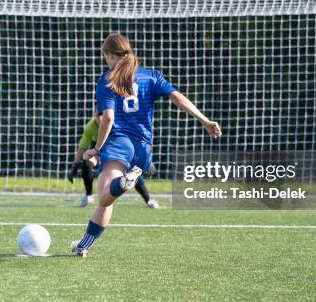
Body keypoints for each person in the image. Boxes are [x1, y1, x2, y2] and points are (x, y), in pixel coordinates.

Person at [71, 32, 221, 257]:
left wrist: (97, 148)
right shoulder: (151, 76)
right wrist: (205, 120)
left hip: (119, 144)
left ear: (111, 55)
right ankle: (82, 245)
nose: (105, 61)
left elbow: (108, 118)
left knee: (104, 199)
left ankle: (117, 189)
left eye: (105, 56)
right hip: (143, 151)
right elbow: (178, 98)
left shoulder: (107, 79)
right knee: (108, 198)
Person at [67, 115, 160, 208]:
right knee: (87, 164)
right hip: (99, 151)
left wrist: (147, 160)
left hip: (116, 152)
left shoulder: (117, 124)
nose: (100, 119)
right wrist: (74, 166)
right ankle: (89, 195)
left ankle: (148, 199)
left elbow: (137, 140)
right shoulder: (90, 126)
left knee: (131, 172)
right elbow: (82, 146)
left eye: (103, 115)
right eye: (98, 115)